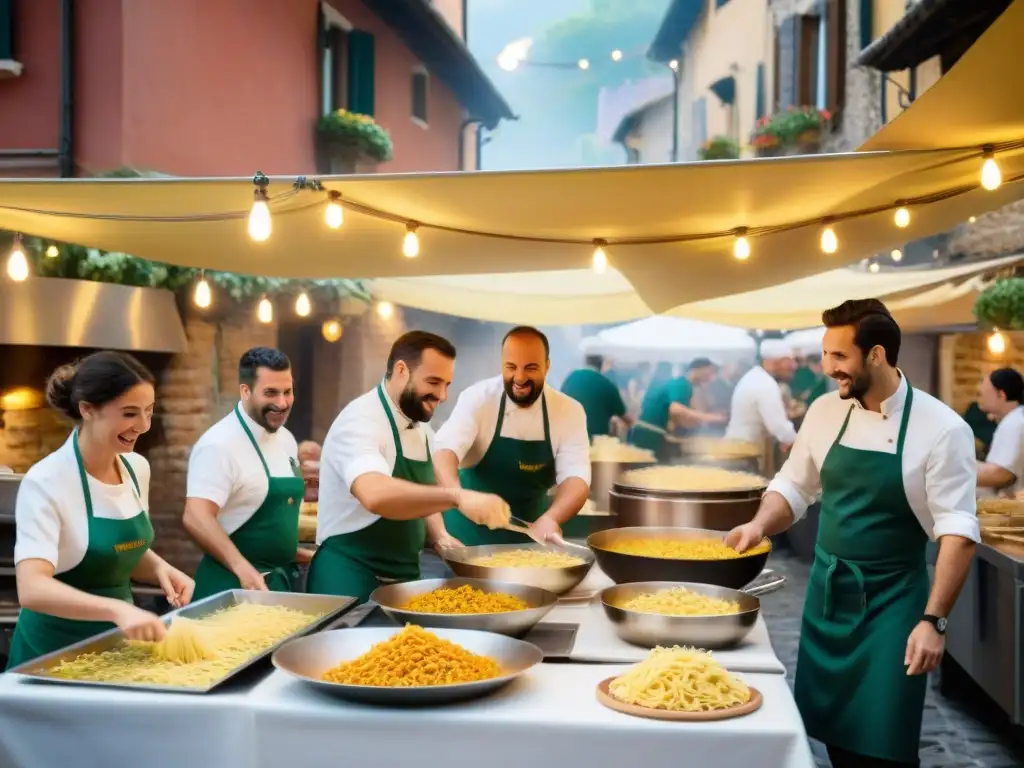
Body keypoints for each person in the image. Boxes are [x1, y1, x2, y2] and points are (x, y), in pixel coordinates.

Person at [727, 299, 979, 768]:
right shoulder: (825, 412)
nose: (827, 368)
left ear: (877, 355)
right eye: (825, 355)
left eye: (839, 357)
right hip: (828, 595)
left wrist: (934, 621)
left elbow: (957, 531)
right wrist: (759, 524)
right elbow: (794, 485)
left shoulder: (944, 429)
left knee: (884, 739)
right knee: (833, 737)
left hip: (893, 604)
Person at [7, 352, 194, 668]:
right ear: (87, 409)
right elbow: (31, 588)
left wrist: (160, 567)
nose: (143, 426)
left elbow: (115, 549)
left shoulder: (137, 468)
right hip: (52, 656)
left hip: (116, 650)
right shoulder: (46, 481)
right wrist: (117, 609)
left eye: (149, 412)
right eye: (129, 413)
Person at [308, 331, 509, 601]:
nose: (443, 395)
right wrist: (457, 496)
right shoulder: (360, 421)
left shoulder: (422, 427)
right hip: (348, 579)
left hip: (404, 580)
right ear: (401, 370)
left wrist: (440, 538)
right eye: (434, 382)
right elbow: (375, 494)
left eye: (447, 384)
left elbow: (420, 491)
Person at [433, 326, 590, 546]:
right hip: (466, 543)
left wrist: (551, 518)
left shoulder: (568, 411)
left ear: (547, 366)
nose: (519, 377)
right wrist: (460, 496)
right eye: (511, 367)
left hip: (529, 543)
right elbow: (443, 452)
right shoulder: (479, 398)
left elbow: (577, 479)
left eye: (531, 368)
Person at [183, 347, 310, 601]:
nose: (282, 403)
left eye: (288, 392)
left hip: (276, 587)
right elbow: (195, 516)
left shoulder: (286, 439)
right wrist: (242, 568)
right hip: (229, 589)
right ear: (245, 391)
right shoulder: (218, 445)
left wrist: (301, 555)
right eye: (271, 393)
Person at [628, 358, 724, 459]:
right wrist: (707, 417)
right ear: (699, 369)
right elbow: (675, 408)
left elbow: (679, 417)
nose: (711, 376)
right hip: (648, 435)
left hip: (652, 434)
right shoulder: (681, 384)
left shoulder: (686, 385)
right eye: (710, 371)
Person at [725, 339, 798, 451]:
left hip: (738, 446)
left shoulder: (756, 376)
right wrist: (797, 443)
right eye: (789, 361)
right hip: (742, 450)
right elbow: (778, 426)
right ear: (775, 361)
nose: (794, 366)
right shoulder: (765, 384)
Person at [976, 367, 1024, 495]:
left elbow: (1002, 474)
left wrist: (950, 475)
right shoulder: (1014, 419)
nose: (981, 400)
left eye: (984, 394)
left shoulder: (1014, 423)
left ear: (1001, 394)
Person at [561, 354, 630, 438]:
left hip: (566, 440)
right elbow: (625, 419)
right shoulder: (606, 383)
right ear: (602, 364)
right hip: (595, 444)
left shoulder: (570, 378)